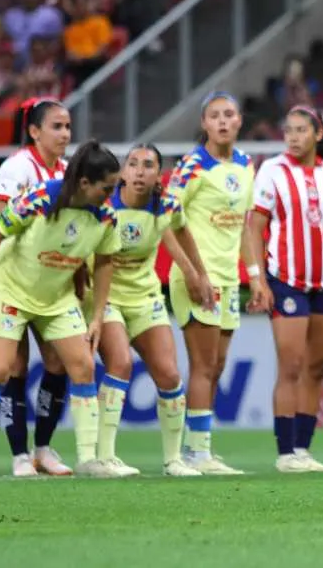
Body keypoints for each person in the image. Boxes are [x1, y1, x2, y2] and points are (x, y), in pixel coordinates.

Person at [0, 140, 126, 478]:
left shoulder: (106, 216)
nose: (111, 194)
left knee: (82, 365)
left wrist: (96, 316)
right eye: (107, 188)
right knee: (1, 369)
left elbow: (106, 260)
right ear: (84, 184)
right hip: (10, 290)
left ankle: (87, 459)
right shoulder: (39, 199)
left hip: (56, 297)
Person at [95, 144, 215, 477]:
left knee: (170, 374)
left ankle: (173, 460)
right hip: (106, 298)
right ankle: (104, 458)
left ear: (157, 174)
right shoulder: (104, 204)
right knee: (119, 364)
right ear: (123, 171)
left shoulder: (166, 205)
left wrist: (200, 274)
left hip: (145, 297)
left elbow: (182, 232)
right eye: (132, 164)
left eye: (147, 165)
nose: (138, 171)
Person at [167, 91, 271, 475]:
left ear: (240, 120)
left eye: (229, 114)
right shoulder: (192, 166)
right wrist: (194, 273)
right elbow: (169, 221)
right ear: (204, 124)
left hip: (228, 280)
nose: (223, 122)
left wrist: (255, 277)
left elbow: (244, 225)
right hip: (197, 278)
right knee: (203, 364)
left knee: (218, 364)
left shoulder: (246, 164)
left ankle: (200, 448)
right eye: (215, 116)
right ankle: (195, 453)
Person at [249, 105, 323, 473]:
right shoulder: (271, 170)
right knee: (291, 364)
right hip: (287, 280)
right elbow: (254, 227)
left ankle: (303, 449)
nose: (293, 137)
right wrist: (257, 278)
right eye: (289, 130)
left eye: (300, 130)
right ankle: (284, 453)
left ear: (318, 134)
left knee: (316, 367)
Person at [0, 99, 75, 477]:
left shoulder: (70, 171)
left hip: (52, 282)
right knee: (15, 365)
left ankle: (43, 448)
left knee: (59, 362)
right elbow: (2, 223)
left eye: (68, 127)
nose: (65, 134)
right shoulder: (16, 167)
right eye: (57, 126)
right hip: (13, 279)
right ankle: (18, 454)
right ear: (34, 131)